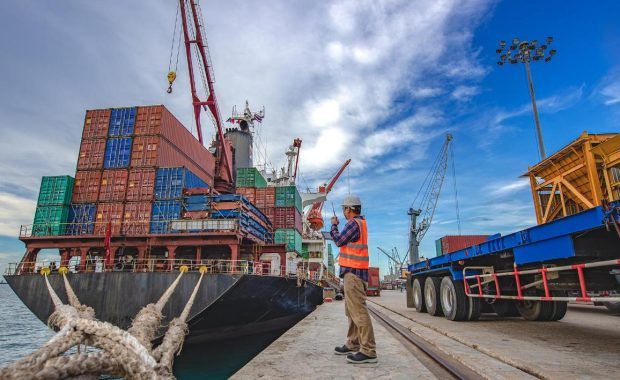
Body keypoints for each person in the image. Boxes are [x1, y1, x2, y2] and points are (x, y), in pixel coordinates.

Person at [331, 194, 377, 364]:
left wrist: (334, 226)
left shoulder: (353, 223)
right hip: (355, 274)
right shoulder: (361, 223)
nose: (343, 212)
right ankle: (353, 343)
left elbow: (338, 240)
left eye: (344, 209)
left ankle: (369, 351)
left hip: (354, 274)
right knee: (351, 312)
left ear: (349, 209)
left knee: (358, 312)